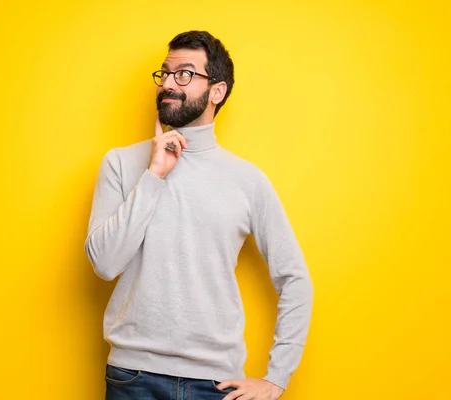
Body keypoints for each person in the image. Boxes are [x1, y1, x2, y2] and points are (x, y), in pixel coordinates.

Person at [85, 30, 313, 400]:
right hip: (132, 379)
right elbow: (105, 264)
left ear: (217, 91)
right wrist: (154, 175)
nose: (169, 84)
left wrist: (277, 377)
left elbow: (295, 279)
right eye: (165, 73)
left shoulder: (247, 180)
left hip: (216, 385)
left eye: (185, 74)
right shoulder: (122, 163)